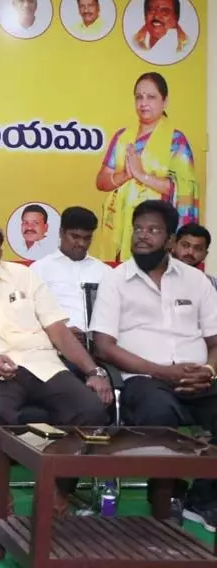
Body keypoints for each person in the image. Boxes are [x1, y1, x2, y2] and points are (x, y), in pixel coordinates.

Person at [0, 220, 111, 514]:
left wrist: (93, 371)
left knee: (91, 409)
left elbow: (58, 330)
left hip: (42, 364)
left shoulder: (24, 276)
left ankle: (60, 488)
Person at [91, 200, 217, 530]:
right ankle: (166, 494)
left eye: (153, 230)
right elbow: (104, 346)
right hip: (143, 376)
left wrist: (209, 371)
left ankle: (203, 499)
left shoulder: (197, 281)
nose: (143, 236)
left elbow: (215, 342)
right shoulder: (115, 280)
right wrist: (161, 371)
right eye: (138, 229)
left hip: (197, 376)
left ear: (170, 241)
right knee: (159, 412)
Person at [96, 72, 197, 262]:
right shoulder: (122, 138)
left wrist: (142, 175)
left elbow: (184, 189)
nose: (144, 103)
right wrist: (125, 174)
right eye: (139, 97)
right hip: (122, 226)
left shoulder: (176, 141)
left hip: (159, 231)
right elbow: (101, 182)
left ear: (164, 101)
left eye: (151, 97)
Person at [30, 207, 110, 350]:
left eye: (87, 238)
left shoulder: (105, 272)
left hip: (101, 349)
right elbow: (28, 316)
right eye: (75, 237)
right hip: (54, 349)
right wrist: (61, 333)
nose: (81, 244)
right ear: (61, 233)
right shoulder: (40, 269)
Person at [130, 0, 192, 64]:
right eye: (152, 10)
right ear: (145, 15)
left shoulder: (186, 45)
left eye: (164, 12)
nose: (156, 16)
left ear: (176, 18)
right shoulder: (134, 41)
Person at [172, 223, 217, 289]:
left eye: (198, 248)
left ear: (205, 255)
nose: (190, 252)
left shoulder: (212, 285)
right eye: (185, 245)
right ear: (173, 246)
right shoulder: (156, 279)